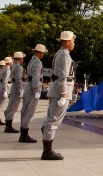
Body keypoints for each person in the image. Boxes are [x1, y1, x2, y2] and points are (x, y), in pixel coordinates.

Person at [41, 31, 76, 160]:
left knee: (52, 119)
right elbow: (63, 77)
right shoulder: (64, 56)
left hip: (58, 91)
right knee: (53, 120)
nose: (73, 43)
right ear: (67, 42)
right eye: (72, 41)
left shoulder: (61, 53)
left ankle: (48, 146)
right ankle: (47, 151)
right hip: (60, 92)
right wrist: (63, 95)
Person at [20, 44, 47, 143]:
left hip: (28, 86)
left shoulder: (31, 61)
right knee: (29, 112)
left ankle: (23, 133)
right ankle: (24, 134)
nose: (43, 54)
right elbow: (36, 77)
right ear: (40, 52)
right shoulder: (38, 62)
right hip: (32, 88)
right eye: (43, 53)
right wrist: (36, 90)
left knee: (25, 111)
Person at [4, 52, 26, 133]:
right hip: (16, 88)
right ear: (20, 58)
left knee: (11, 106)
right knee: (13, 107)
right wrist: (21, 89)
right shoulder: (19, 67)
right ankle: (8, 126)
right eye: (22, 58)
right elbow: (18, 79)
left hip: (13, 87)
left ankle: (8, 124)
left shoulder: (13, 66)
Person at [0, 57, 13, 126]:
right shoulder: (7, 69)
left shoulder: (1, 70)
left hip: (0, 87)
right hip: (4, 88)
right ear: (10, 62)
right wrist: (5, 90)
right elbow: (5, 80)